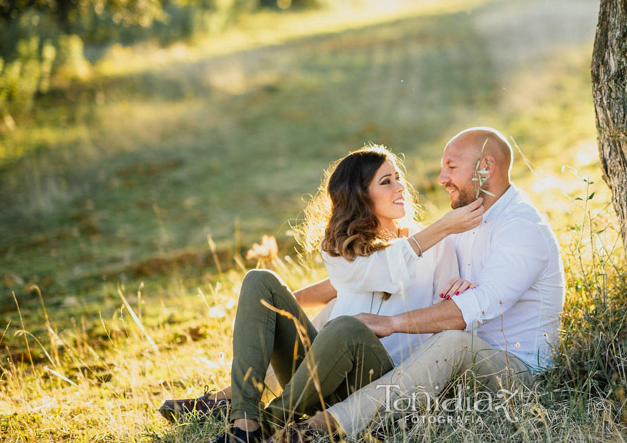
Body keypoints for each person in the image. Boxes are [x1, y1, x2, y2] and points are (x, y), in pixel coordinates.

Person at [160, 145, 484, 443]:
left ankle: (269, 422)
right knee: (260, 280)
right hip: (320, 375)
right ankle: (243, 424)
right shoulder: (341, 251)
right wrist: (275, 306)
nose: (401, 187)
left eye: (398, 178)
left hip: (375, 381)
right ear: (360, 196)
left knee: (348, 327)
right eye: (386, 181)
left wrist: (458, 286)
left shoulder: (436, 244)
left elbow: (449, 313)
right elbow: (377, 270)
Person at [298, 127, 566, 439]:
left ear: (486, 167)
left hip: (516, 375)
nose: (441, 178)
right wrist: (293, 299)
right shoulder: (467, 217)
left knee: (453, 342)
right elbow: (371, 273)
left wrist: (392, 322)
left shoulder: (521, 228)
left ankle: (325, 426)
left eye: (452, 167)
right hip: (450, 363)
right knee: (336, 308)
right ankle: (246, 395)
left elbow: (479, 306)